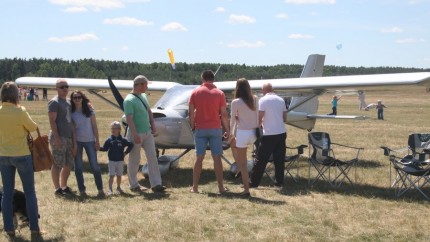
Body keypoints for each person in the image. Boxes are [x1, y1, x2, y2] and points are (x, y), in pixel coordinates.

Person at [0, 82, 42, 238]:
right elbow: (32, 127)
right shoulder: (20, 111)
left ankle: (9, 229)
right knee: (30, 192)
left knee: (7, 193)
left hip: (3, 155)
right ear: (15, 95)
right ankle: (34, 228)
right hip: (22, 155)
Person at [189, 70, 230, 194]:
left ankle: (195, 187)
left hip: (200, 129)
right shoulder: (220, 93)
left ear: (202, 78)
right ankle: (221, 188)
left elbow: (191, 113)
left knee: (199, 158)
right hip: (215, 129)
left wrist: (192, 126)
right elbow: (223, 114)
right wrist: (227, 129)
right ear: (213, 79)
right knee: (217, 158)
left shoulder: (195, 92)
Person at [123, 75, 166, 193]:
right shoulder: (129, 100)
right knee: (134, 159)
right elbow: (129, 119)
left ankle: (156, 184)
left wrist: (153, 126)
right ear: (140, 85)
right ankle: (133, 185)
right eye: (145, 85)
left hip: (147, 132)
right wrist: (135, 134)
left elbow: (149, 111)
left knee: (152, 157)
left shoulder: (143, 96)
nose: (147, 87)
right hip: (136, 133)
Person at [249, 83, 287, 188]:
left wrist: (257, 127)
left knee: (261, 159)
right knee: (279, 160)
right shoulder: (281, 100)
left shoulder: (263, 100)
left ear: (263, 91)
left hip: (269, 134)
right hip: (281, 132)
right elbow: (285, 118)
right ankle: (279, 182)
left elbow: (259, 118)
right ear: (272, 89)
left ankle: (253, 182)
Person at [71, 90, 104, 197]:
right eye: (74, 98)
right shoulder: (70, 111)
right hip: (77, 142)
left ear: (82, 98)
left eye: (79, 97)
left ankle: (100, 189)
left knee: (95, 166)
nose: (77, 99)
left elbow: (94, 126)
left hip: (90, 140)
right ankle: (82, 190)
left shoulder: (89, 109)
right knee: (78, 167)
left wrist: (97, 140)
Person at [229, 78, 258, 197]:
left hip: (242, 133)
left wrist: (230, 133)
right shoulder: (255, 99)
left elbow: (232, 120)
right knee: (241, 158)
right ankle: (247, 179)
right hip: (254, 133)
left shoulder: (235, 102)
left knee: (242, 163)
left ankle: (246, 189)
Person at [48, 79, 75, 196]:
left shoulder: (69, 102)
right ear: (56, 89)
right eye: (61, 87)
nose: (65, 89)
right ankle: (57, 189)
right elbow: (52, 121)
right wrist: (57, 138)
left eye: (66, 86)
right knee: (57, 163)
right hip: (59, 137)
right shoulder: (54, 102)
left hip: (69, 137)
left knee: (68, 163)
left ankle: (64, 186)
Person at [99, 121, 134, 195]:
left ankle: (118, 187)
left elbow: (131, 145)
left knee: (119, 175)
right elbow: (105, 148)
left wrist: (125, 153)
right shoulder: (109, 140)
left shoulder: (123, 140)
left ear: (119, 130)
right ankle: (110, 189)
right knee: (111, 175)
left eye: (114, 128)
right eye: (112, 128)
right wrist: (98, 148)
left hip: (120, 161)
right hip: (111, 161)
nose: (113, 130)